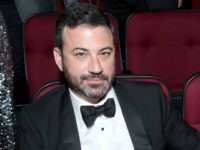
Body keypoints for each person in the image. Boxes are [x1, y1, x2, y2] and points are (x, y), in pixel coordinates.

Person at [19, 3, 200, 150]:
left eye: (104, 53)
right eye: (81, 54)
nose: (96, 68)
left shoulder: (152, 99)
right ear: (59, 59)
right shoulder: (37, 119)